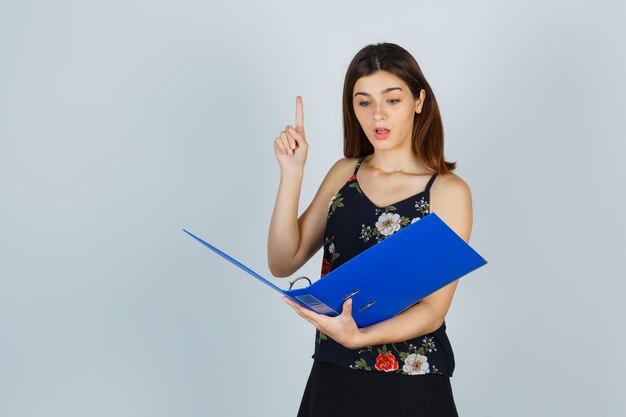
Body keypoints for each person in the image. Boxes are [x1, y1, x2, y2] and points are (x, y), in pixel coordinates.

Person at [267, 42, 472, 417]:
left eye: (392, 100)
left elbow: (433, 312)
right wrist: (291, 174)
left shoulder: (447, 191)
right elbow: (283, 261)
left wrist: (359, 337)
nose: (378, 114)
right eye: (364, 102)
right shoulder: (343, 173)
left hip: (412, 383)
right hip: (332, 374)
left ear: (418, 101)